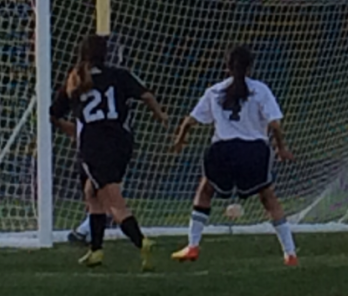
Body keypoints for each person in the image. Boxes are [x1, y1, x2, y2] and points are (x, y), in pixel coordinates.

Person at [171, 44, 297, 265]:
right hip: (254, 151)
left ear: (226, 66)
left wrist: (180, 139)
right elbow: (275, 124)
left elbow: (190, 121)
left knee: (205, 190)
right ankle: (290, 253)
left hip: (223, 150)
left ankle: (192, 245)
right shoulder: (261, 89)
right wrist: (282, 147)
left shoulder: (215, 91)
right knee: (269, 198)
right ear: (251, 67)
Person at [50, 34, 168, 270]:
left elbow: (53, 114)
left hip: (95, 145)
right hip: (122, 142)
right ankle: (96, 250)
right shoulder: (120, 75)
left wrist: (71, 130)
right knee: (91, 192)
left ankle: (141, 241)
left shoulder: (75, 79)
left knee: (113, 201)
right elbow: (146, 95)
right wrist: (160, 115)